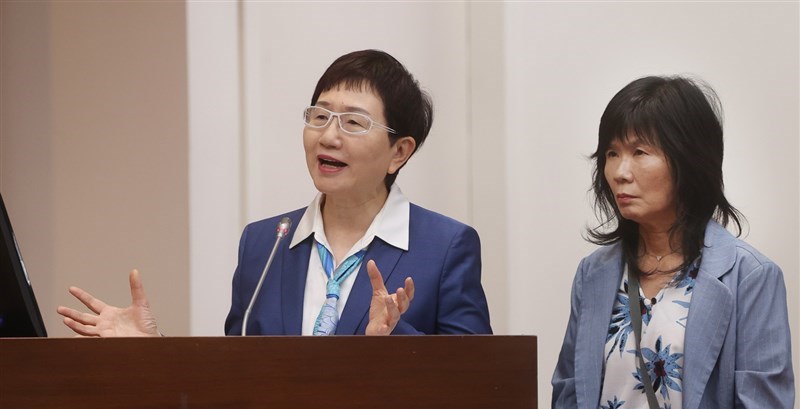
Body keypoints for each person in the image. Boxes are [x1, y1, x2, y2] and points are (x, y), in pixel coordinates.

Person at [520, 76, 795, 409]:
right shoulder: (594, 275)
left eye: (640, 152)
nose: (619, 171)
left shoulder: (749, 275)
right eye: (611, 153)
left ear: (689, 161)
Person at [57, 49, 492, 337]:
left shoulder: (446, 246)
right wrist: (154, 351)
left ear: (399, 152)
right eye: (319, 116)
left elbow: (479, 388)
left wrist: (397, 338)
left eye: (354, 123)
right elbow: (236, 382)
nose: (328, 137)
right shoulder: (265, 244)